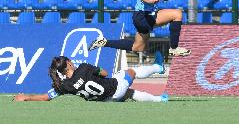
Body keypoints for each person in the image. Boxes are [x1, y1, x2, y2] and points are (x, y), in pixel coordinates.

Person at [14, 51, 168, 102]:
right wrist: (97, 70)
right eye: (70, 60)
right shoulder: (84, 67)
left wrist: (26, 97)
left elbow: (46, 97)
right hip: (114, 88)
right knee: (130, 73)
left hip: (106, 100)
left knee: (130, 93)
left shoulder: (63, 86)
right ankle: (158, 67)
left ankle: (160, 100)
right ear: (68, 63)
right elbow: (105, 73)